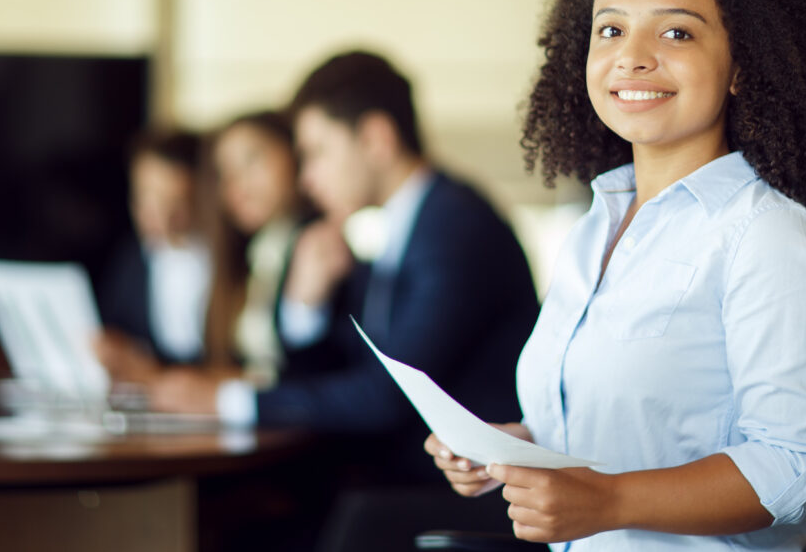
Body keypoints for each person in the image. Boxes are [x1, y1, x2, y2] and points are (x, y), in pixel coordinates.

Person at [426, 0, 806, 551]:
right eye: (611, 28)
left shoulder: (766, 238)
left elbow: (792, 465)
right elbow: (627, 421)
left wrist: (604, 500)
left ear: (743, 67)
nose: (631, 55)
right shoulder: (595, 227)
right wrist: (514, 450)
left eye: (676, 31)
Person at [207, 51, 539, 483]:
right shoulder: (405, 223)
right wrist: (305, 304)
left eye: (317, 152)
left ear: (376, 139)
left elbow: (386, 397)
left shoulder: (454, 226)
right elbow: (352, 366)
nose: (307, 177)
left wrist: (231, 401)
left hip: (460, 491)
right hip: (407, 475)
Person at [100, 110, 327, 409]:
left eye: (252, 159)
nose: (238, 184)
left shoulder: (318, 245)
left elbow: (307, 372)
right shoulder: (253, 253)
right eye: (224, 173)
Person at [94, 127, 212, 371]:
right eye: (145, 197)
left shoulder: (225, 260)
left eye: (174, 201)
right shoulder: (131, 261)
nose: (158, 216)